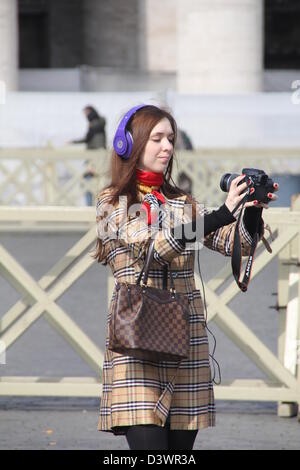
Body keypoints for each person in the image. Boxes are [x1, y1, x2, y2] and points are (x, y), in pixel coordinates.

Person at [94, 104, 279, 451]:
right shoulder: (111, 202)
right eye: (157, 139)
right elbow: (149, 248)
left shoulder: (182, 201)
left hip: (186, 341)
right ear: (128, 145)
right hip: (136, 338)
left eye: (171, 139)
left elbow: (234, 244)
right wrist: (223, 213)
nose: (167, 147)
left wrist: (250, 212)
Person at [72, 106, 106, 206]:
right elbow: (87, 138)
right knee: (89, 180)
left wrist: (91, 125)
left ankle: (97, 205)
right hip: (92, 157)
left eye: (87, 113)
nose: (86, 116)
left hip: (97, 157)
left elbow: (94, 131)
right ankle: (90, 205)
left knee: (98, 182)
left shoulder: (98, 123)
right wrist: (73, 142)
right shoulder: (94, 125)